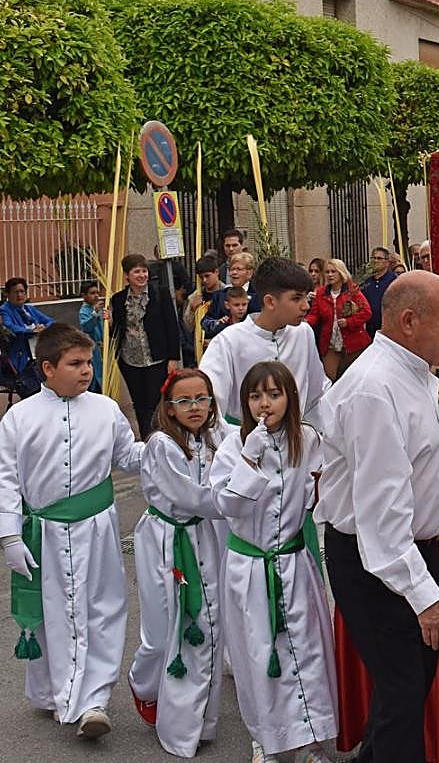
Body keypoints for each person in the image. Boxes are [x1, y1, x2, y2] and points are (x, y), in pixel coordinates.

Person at [317, 271, 439, 763]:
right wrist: (426, 600)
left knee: (407, 687)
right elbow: (381, 519)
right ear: (407, 321)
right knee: (402, 690)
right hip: (375, 560)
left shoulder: (413, 370)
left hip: (408, 551)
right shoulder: (375, 387)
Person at [0, 325, 143, 738]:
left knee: (102, 609)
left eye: (88, 362)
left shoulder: (105, 409)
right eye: (75, 364)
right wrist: (10, 536)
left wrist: (166, 446)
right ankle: (54, 692)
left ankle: (92, 700)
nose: (86, 371)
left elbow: (128, 456)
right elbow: (7, 479)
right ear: (48, 368)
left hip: (96, 529)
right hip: (43, 530)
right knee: (55, 615)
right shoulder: (19, 418)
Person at [211, 361, 335, 763]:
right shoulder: (233, 446)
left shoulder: (309, 439)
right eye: (256, 395)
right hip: (250, 568)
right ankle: (266, 737)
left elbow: (321, 490)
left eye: (274, 394)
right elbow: (226, 504)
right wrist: (249, 460)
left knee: (307, 648)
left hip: (295, 563)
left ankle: (311, 739)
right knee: (259, 655)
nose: (265, 404)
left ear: (290, 398)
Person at [128, 368, 232, 757]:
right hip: (166, 540)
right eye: (184, 401)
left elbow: (240, 455)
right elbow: (190, 497)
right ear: (168, 408)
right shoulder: (161, 445)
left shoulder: (213, 438)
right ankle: (145, 684)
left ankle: (192, 724)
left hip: (202, 535)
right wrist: (242, 500)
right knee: (163, 629)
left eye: (202, 399)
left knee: (204, 625)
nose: (194, 407)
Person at [199, 257, 330, 427]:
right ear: (270, 302)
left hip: (294, 442)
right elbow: (211, 404)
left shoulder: (303, 333)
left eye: (306, 297)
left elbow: (316, 393)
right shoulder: (229, 341)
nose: (306, 306)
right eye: (297, 298)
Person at [111, 254, 182, 438]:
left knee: (155, 402)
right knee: (139, 403)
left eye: (144, 271)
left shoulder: (160, 293)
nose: (142, 275)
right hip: (130, 359)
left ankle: (161, 436)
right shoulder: (118, 299)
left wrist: (173, 357)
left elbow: (172, 326)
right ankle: (145, 439)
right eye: (137, 272)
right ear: (127, 275)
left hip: (156, 358)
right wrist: (108, 321)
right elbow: (117, 330)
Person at [305, 258, 371, 382]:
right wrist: (305, 323)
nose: (330, 275)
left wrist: (349, 322)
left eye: (333, 272)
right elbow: (314, 315)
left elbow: (366, 312)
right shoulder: (320, 293)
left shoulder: (352, 290)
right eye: (327, 272)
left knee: (351, 380)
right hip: (330, 343)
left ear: (341, 273)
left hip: (353, 342)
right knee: (331, 380)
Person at [1, 277, 54, 398]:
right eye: (16, 292)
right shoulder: (4, 310)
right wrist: (31, 331)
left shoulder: (29, 309)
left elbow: (50, 321)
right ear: (8, 294)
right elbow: (10, 327)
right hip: (20, 354)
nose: (19, 295)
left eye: (22, 291)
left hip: (37, 350)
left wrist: (44, 328)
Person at [183, 256, 226, 340]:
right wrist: (192, 310)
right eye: (201, 277)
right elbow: (188, 328)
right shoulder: (194, 297)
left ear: (216, 272)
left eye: (207, 276)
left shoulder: (227, 292)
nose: (204, 280)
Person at [360, 246, 397, 339]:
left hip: (388, 327)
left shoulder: (394, 280)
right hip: (370, 329)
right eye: (373, 258)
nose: (376, 261)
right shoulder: (366, 282)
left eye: (379, 258)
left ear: (387, 262)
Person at [78, 280, 105, 393]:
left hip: (102, 347)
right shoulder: (84, 311)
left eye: (97, 293)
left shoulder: (97, 308)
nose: (96, 296)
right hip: (93, 350)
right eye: (92, 293)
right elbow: (87, 327)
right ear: (84, 295)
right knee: (95, 379)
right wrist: (94, 313)